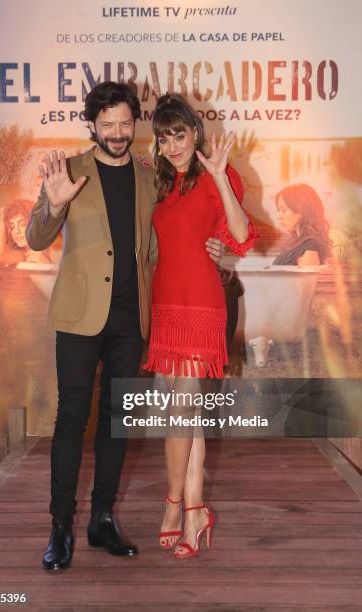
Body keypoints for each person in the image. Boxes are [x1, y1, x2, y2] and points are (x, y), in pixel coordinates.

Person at [26, 81, 160, 570]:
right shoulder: (69, 172)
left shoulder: (149, 177)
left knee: (117, 419)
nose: (119, 133)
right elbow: (36, 237)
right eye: (108, 126)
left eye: (126, 124)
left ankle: (102, 519)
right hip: (80, 317)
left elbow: (152, 248)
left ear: (134, 123)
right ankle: (60, 525)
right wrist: (56, 203)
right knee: (71, 417)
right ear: (92, 126)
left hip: (131, 318)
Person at [142, 94, 257, 558]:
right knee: (184, 417)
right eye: (164, 137)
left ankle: (173, 506)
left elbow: (243, 236)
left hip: (201, 304)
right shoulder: (161, 181)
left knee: (181, 413)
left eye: (180, 134)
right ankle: (196, 511)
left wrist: (219, 180)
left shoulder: (217, 175)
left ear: (195, 132)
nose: (172, 145)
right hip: (166, 303)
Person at [272, 183, 331, 265]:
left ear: (301, 210)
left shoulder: (311, 247)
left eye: (284, 210)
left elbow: (305, 277)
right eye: (279, 210)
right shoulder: (295, 243)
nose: (279, 216)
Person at [0, 199, 54, 265]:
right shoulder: (23, 254)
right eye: (12, 227)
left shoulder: (52, 247)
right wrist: (2, 220)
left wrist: (46, 262)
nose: (16, 231)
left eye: (23, 224)